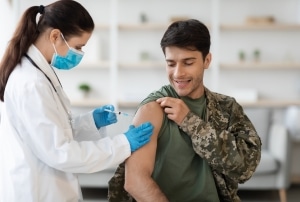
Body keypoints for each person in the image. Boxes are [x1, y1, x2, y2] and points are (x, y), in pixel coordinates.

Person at [0, 1, 154, 202]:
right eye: (78, 46)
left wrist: (91, 121)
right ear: (55, 36)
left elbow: (55, 132)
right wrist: (122, 143)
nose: (79, 53)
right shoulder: (30, 83)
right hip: (37, 192)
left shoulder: (38, 73)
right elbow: (60, 152)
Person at [108, 19, 262, 202]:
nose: (178, 73)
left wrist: (190, 122)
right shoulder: (153, 108)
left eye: (188, 63)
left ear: (207, 60)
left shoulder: (227, 108)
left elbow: (245, 168)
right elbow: (135, 181)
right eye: (171, 64)